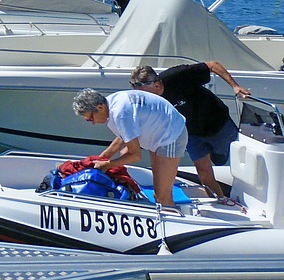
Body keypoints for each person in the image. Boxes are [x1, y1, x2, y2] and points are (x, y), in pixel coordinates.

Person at [130, 62, 250, 202]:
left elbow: (213, 65)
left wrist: (235, 86)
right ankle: (222, 200)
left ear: (157, 85)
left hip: (217, 124)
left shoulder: (177, 75)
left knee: (229, 160)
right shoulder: (147, 100)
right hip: (190, 133)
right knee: (204, 173)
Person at [72, 87, 188, 210]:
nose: (93, 123)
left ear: (99, 107)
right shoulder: (111, 104)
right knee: (158, 192)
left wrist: (106, 165)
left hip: (170, 136)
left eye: (91, 119)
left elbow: (136, 155)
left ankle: (171, 222)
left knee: (161, 196)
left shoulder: (120, 113)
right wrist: (103, 157)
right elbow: (125, 135)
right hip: (159, 134)